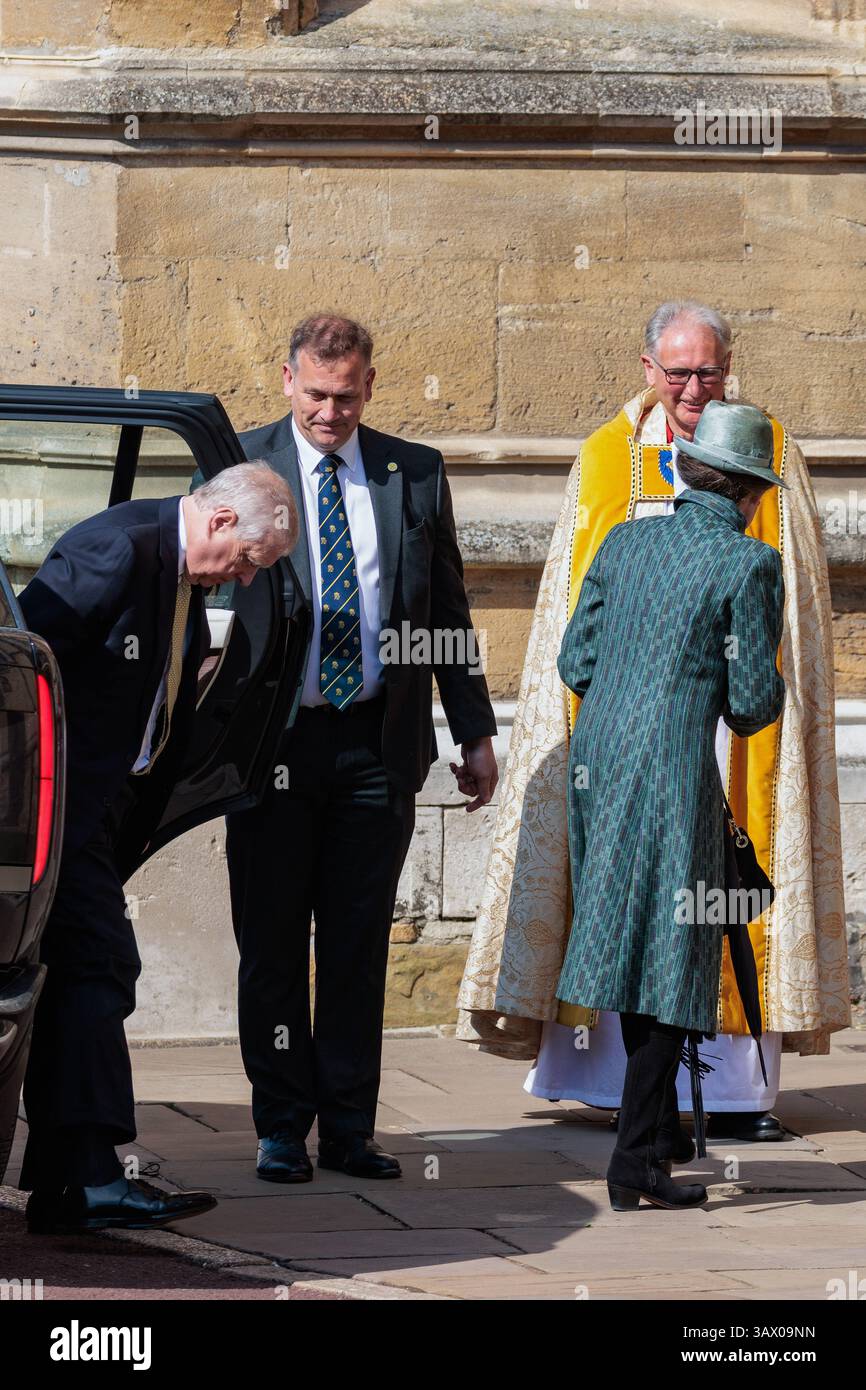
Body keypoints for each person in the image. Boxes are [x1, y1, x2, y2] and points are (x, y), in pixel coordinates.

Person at [457, 301, 849, 1144]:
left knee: (657, 912)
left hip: (699, 746)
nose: (694, 388)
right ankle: (623, 1105)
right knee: (674, 921)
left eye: (709, 371)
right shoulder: (607, 460)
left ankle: (729, 1093)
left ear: (729, 367)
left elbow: (795, 617)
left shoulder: (774, 451)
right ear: (647, 370)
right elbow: (569, 616)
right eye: (678, 372)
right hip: (670, 742)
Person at [227, 313, 498, 1183]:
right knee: (271, 944)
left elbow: (446, 611)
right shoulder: (239, 461)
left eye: (345, 398)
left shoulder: (412, 471)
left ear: (369, 387)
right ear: (286, 380)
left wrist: (476, 730)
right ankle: (279, 1125)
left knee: (354, 945)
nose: (329, 414)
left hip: (377, 747)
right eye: (315, 395)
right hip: (274, 748)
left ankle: (348, 1126)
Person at [18, 462, 297, 1234]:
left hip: (94, 813)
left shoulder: (178, 570)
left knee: (85, 976)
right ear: (217, 523)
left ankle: (73, 1183)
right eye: (246, 561)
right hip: (57, 811)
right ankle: (91, 1181)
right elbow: (23, 667)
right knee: (100, 967)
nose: (243, 579)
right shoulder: (119, 549)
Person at [559, 401, 786, 1209]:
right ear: (751, 491)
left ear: (687, 470)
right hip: (671, 768)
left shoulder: (625, 540)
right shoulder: (748, 564)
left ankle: (651, 1137)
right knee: (673, 957)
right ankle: (635, 1164)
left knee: (625, 940)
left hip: (598, 760)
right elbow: (754, 702)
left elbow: (573, 660)